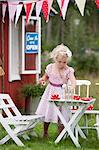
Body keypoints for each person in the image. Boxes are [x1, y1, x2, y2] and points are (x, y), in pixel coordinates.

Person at [35, 43, 76, 138]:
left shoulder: (68, 70)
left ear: (67, 61)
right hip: (51, 91)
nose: (62, 64)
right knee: (48, 111)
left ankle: (60, 134)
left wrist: (71, 87)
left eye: (64, 62)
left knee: (62, 112)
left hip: (62, 92)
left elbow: (73, 81)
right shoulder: (50, 67)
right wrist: (42, 80)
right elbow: (45, 77)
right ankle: (45, 132)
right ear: (55, 59)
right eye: (59, 61)